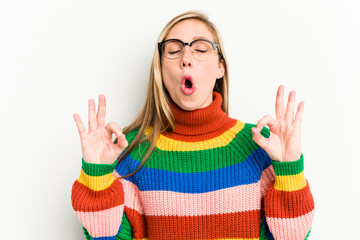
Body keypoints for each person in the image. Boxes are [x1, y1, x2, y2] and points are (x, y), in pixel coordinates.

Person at [71, 10, 314, 240]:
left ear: (220, 68)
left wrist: (289, 168)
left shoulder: (258, 147)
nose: (186, 59)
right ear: (161, 71)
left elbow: (292, 236)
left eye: (200, 48)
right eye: (174, 51)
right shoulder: (132, 151)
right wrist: (97, 175)